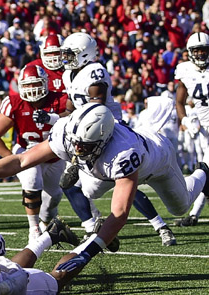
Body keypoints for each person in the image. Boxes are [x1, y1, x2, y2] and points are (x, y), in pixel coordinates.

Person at [0, 103, 208, 271]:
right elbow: (22, 160)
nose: (78, 148)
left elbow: (120, 213)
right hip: (104, 167)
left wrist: (87, 252)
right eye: (76, 144)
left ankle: (204, 172)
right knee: (90, 190)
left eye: (85, 146)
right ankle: (85, 173)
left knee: (180, 206)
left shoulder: (123, 153)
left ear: (103, 139)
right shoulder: (67, 132)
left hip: (157, 161)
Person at [35, 32, 176, 247]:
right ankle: (92, 227)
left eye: (70, 54)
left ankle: (160, 226)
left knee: (123, 179)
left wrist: (76, 155)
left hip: (108, 133)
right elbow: (71, 111)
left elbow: (96, 109)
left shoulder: (94, 72)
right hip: (83, 133)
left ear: (85, 54)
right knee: (70, 185)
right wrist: (51, 118)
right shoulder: (68, 75)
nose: (66, 59)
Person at [0, 65, 67, 242]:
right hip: (27, 151)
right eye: (27, 85)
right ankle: (34, 229)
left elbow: (73, 120)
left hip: (54, 155)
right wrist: (11, 160)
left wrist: (53, 118)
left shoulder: (59, 99)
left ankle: (45, 221)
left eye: (35, 84)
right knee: (31, 179)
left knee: (54, 197)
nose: (32, 89)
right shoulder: (14, 103)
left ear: (45, 83)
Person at [174, 32, 209, 227]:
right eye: (197, 50)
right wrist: (186, 119)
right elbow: (179, 102)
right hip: (204, 130)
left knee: (205, 169)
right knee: (205, 170)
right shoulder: (185, 70)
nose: (201, 54)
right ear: (190, 52)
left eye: (204, 49)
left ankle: (194, 213)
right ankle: (194, 215)